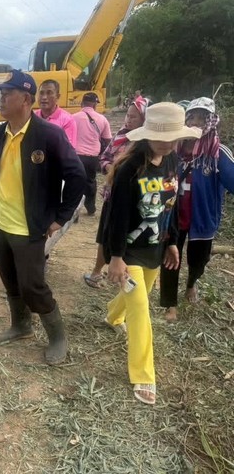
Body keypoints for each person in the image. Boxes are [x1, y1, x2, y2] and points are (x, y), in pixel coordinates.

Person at [0, 69, 86, 365]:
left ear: (26, 99)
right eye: (0, 95)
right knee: (10, 279)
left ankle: (58, 337)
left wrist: (60, 217)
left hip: (30, 228)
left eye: (7, 95)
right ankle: (21, 325)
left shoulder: (49, 135)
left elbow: (77, 176)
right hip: (2, 224)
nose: (1, 100)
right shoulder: (0, 133)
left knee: (33, 285)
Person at [103, 102, 200, 405]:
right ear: (147, 134)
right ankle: (143, 374)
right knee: (141, 309)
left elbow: (169, 205)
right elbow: (117, 216)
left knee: (138, 294)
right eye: (161, 136)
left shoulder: (172, 160)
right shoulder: (130, 169)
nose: (167, 143)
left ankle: (112, 316)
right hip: (129, 250)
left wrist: (172, 242)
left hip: (156, 245)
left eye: (173, 137)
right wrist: (116, 257)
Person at [159, 97, 234, 322]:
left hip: (202, 216)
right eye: (192, 117)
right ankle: (170, 304)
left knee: (199, 260)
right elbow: (162, 178)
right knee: (169, 258)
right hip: (173, 216)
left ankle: (192, 283)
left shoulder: (217, 152)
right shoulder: (174, 148)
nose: (196, 123)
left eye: (202, 118)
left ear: (211, 121)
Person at [84, 96, 151, 288]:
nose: (128, 120)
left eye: (134, 117)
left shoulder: (149, 144)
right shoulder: (121, 136)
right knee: (106, 235)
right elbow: (104, 158)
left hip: (141, 201)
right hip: (113, 197)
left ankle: (130, 280)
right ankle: (96, 272)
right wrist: (111, 169)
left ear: (145, 119)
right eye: (128, 116)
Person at [72, 92, 112, 215]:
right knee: (90, 181)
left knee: (75, 182)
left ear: (82, 103)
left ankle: (74, 210)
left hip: (76, 156)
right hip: (92, 157)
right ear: (95, 104)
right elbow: (108, 140)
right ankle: (91, 208)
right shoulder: (102, 119)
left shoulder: (73, 117)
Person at [35, 79, 78, 148]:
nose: (44, 97)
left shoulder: (67, 120)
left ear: (57, 96)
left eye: (49, 93)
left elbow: (68, 149)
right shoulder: (32, 117)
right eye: (41, 93)